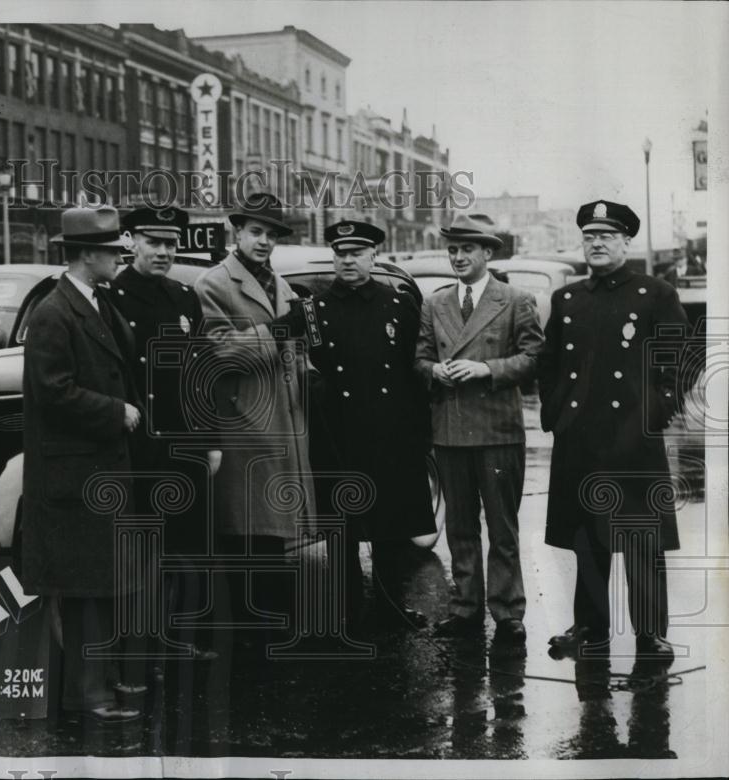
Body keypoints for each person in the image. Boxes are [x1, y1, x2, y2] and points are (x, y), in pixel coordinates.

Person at [538, 199, 687, 661]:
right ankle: (590, 627)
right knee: (587, 538)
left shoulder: (655, 294)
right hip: (580, 437)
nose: (596, 243)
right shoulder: (568, 298)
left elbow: (676, 365)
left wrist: (655, 414)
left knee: (640, 537)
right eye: (589, 236)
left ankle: (650, 633)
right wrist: (556, 413)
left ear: (626, 242)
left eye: (607, 236)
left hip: (632, 439)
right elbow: (551, 365)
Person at [270, 219, 434, 634]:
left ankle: (391, 607)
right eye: (341, 253)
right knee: (341, 529)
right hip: (338, 435)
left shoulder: (398, 304)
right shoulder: (313, 308)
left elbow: (417, 365)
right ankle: (345, 612)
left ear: (373, 256)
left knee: (390, 529)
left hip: (391, 432)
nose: (348, 260)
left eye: (357, 253)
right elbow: (284, 350)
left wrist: (419, 431)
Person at [21, 205, 144, 724]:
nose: (122, 258)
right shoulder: (54, 312)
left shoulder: (90, 302)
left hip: (94, 471)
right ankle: (87, 696)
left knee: (101, 583)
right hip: (76, 475)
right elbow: (53, 393)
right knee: (85, 591)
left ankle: (99, 683)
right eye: (115, 252)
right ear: (89, 255)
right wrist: (117, 413)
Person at [194, 192, 316, 648]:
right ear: (237, 233)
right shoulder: (214, 284)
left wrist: (307, 371)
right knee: (248, 533)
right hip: (245, 424)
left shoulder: (279, 284)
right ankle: (252, 633)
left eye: (271, 235)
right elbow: (220, 352)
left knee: (270, 536)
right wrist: (281, 330)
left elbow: (295, 351)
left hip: (282, 424)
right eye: (256, 232)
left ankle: (269, 627)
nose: (264, 241)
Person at [415, 212, 543, 644]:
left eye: (467, 248)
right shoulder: (434, 303)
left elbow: (533, 359)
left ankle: (508, 613)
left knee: (502, 527)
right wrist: (436, 371)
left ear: (488, 252)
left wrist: (485, 368)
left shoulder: (515, 299)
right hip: (450, 429)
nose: (457, 256)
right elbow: (418, 359)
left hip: (498, 430)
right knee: (460, 527)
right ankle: (466, 608)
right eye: (452, 249)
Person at [110, 205, 221, 661]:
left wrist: (212, 439)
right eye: (153, 242)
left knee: (189, 547)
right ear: (130, 241)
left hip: (186, 443)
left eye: (171, 244)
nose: (162, 252)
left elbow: (200, 373)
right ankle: (139, 646)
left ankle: (183, 641)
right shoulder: (111, 296)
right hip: (138, 445)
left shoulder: (184, 297)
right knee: (141, 548)